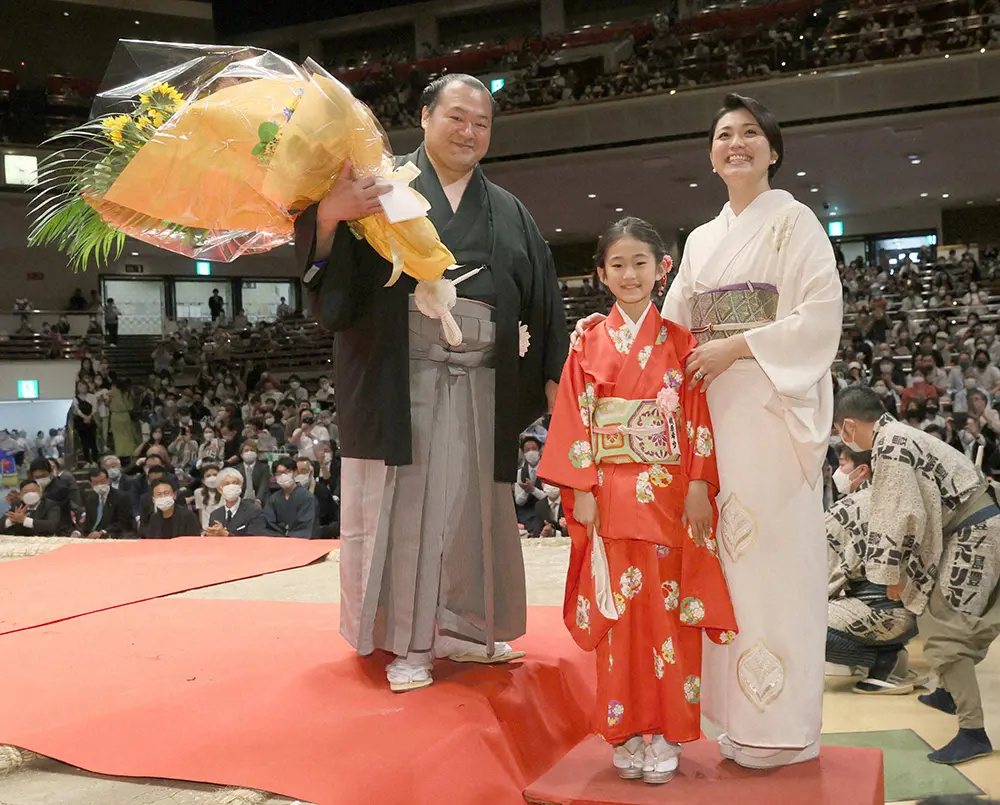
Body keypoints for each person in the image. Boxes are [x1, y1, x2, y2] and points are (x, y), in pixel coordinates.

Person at [574, 93, 841, 768]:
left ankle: (782, 726)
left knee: (778, 566)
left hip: (772, 411)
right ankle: (733, 720)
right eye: (725, 134)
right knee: (723, 565)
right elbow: (662, 328)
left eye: (751, 133)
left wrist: (737, 346)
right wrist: (598, 326)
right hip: (710, 416)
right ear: (712, 154)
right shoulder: (702, 239)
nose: (737, 143)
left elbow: (820, 318)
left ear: (773, 150)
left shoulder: (799, 223)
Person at [295, 73, 567, 691]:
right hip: (405, 383)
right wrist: (330, 217)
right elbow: (329, 290)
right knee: (410, 514)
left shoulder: (509, 211)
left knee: (472, 511)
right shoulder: (382, 189)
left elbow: (544, 302)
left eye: (482, 123)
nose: (470, 132)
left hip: (484, 387)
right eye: (457, 118)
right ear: (423, 117)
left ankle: (469, 629)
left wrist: (553, 384)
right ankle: (410, 642)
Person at [539, 218, 737, 784]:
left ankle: (667, 733)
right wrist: (579, 490)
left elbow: (696, 416)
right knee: (619, 614)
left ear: (662, 268)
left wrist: (699, 485)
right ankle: (626, 732)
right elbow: (575, 417)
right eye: (617, 265)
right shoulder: (587, 343)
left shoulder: (681, 342)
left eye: (640, 263)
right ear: (601, 273)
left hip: (669, 495)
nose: (629, 274)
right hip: (609, 494)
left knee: (666, 615)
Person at [834, 386, 1000, 764]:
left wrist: (890, 574)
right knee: (940, 616)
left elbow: (900, 514)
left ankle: (972, 732)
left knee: (946, 632)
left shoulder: (889, 444)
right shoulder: (900, 435)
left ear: (847, 426)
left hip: (972, 532)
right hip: (974, 526)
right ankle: (948, 691)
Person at [826, 446, 917, 693]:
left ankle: (882, 661)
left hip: (879, 614)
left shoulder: (849, 507)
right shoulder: (904, 500)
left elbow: (822, 576)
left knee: (799, 621)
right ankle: (888, 653)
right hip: (910, 611)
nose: (838, 471)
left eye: (843, 464)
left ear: (862, 469)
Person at [262, 457, 318, 538]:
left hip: (301, 542)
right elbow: (268, 523)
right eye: (279, 473)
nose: (283, 475)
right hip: (278, 541)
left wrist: (289, 537)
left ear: (295, 472)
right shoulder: (273, 499)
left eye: (287, 472)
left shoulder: (307, 497)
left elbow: (307, 526)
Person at [203, 468, 267, 537]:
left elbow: (255, 539)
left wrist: (226, 534)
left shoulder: (254, 511)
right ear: (219, 489)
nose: (231, 486)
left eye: (235, 483)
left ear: (241, 486)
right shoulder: (215, 515)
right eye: (227, 484)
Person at [77, 467, 136, 539]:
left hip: (112, 534)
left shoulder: (121, 497)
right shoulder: (90, 499)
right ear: (90, 484)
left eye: (103, 481)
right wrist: (79, 532)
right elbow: (88, 522)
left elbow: (123, 522)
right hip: (93, 535)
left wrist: (103, 532)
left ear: (108, 480)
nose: (100, 484)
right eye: (95, 483)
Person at [294, 456, 338, 539]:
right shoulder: (288, 491)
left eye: (303, 471)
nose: (300, 475)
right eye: (297, 472)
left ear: (310, 472)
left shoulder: (322, 491)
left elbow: (331, 518)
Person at [514, 435, 546, 535]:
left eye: (534, 449)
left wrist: (533, 490)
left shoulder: (547, 471)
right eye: (527, 450)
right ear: (523, 454)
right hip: (525, 516)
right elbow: (519, 501)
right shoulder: (520, 473)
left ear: (540, 451)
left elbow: (549, 497)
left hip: (544, 514)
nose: (531, 452)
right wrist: (526, 491)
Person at [108, 377, 138, 459]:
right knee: (128, 436)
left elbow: (104, 399)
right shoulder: (128, 392)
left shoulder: (112, 393)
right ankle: (131, 452)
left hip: (115, 415)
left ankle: (120, 453)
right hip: (126, 415)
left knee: (118, 437)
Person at [192, 463, 224, 531]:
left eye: (215, 475)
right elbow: (200, 512)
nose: (212, 478)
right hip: (207, 528)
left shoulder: (225, 492)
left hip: (222, 527)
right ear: (203, 480)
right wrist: (203, 529)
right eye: (208, 476)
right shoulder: (198, 492)